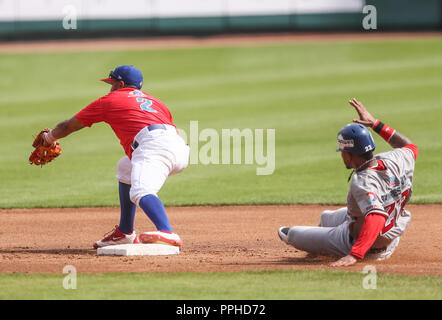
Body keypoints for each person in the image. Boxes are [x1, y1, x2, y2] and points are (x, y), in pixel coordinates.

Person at [40, 65, 190, 249]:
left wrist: (48, 139)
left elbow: (68, 126)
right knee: (125, 167)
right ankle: (125, 232)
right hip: (179, 147)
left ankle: (167, 232)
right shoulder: (155, 102)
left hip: (153, 146)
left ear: (120, 84)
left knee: (140, 191)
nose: (110, 88)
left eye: (111, 83)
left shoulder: (110, 100)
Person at [278, 98, 418, 266]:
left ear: (350, 154)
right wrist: (375, 124)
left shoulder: (363, 181)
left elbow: (376, 217)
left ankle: (332, 245)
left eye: (342, 151)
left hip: (362, 244)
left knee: (290, 233)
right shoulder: (395, 159)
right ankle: (326, 238)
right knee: (325, 217)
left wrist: (355, 254)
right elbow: (411, 148)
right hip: (391, 236)